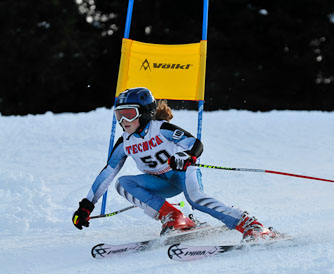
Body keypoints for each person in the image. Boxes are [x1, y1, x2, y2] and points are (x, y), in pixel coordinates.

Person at [72, 87, 278, 241]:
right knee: (123, 183)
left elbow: (194, 143)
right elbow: (108, 172)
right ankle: (173, 217)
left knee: (196, 200)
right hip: (160, 182)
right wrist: (87, 205)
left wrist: (188, 156)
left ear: (144, 113)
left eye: (129, 114)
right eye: (119, 115)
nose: (123, 121)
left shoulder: (161, 128)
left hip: (181, 171)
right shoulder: (125, 141)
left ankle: (250, 224)